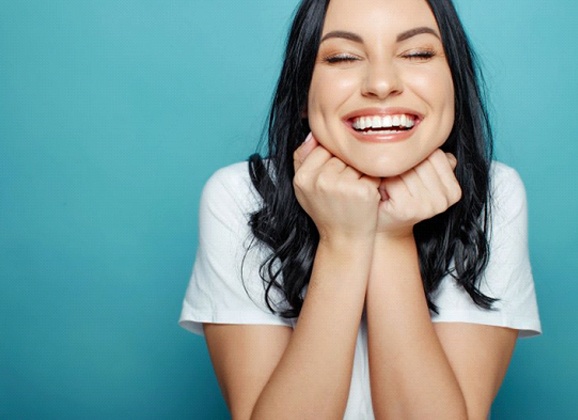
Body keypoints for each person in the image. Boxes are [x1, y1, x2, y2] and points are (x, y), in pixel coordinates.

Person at [180, 0, 541, 418]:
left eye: (418, 53)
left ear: (455, 82)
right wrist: (344, 241)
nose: (382, 83)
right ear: (302, 93)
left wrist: (392, 236)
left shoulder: (493, 194)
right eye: (343, 57)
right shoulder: (242, 196)